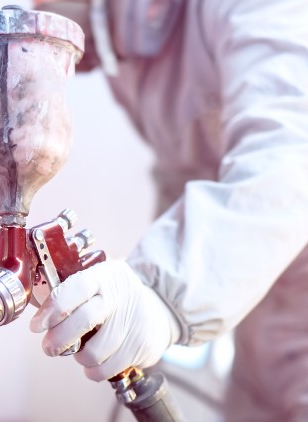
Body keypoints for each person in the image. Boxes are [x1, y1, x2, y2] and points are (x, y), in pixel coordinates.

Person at [28, 0, 308, 420]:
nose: (35, 11)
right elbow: (186, 170)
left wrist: (163, 292)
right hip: (259, 330)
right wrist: (139, 293)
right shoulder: (128, 46)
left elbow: (288, 157)